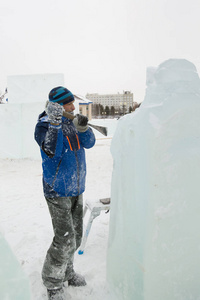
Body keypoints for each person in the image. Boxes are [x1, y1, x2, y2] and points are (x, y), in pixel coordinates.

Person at [34, 86, 96, 300]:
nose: (73, 106)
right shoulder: (43, 126)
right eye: (68, 103)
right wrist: (55, 124)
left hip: (76, 187)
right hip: (57, 190)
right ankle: (52, 282)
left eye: (72, 102)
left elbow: (90, 143)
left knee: (75, 237)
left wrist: (84, 128)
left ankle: (67, 271)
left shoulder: (72, 122)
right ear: (58, 105)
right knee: (64, 238)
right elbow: (53, 151)